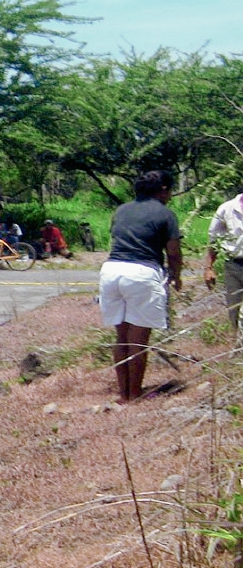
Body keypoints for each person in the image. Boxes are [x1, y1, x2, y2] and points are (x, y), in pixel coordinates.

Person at [99, 170, 182, 403]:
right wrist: (176, 276)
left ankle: (123, 392)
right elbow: (173, 252)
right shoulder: (165, 214)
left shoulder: (121, 210)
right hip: (142, 273)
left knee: (121, 337)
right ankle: (135, 394)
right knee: (138, 339)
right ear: (163, 190)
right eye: (170, 190)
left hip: (111, 270)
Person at [204, 185, 243, 332]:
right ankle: (237, 342)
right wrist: (208, 268)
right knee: (234, 309)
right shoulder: (227, 209)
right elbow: (214, 239)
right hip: (235, 266)